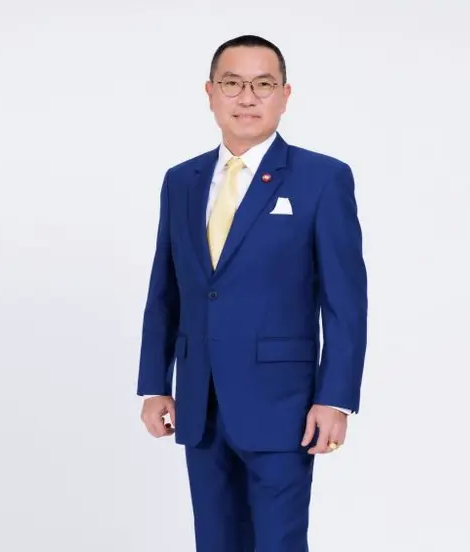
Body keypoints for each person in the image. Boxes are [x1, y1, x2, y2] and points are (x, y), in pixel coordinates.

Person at [136, 34, 368, 552]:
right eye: (232, 84)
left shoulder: (322, 178)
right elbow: (165, 288)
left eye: (262, 85)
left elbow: (345, 301)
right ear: (210, 93)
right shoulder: (182, 180)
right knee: (215, 541)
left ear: (285, 95)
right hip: (200, 400)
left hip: (284, 405)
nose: (247, 98)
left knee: (278, 542)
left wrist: (334, 398)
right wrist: (154, 383)